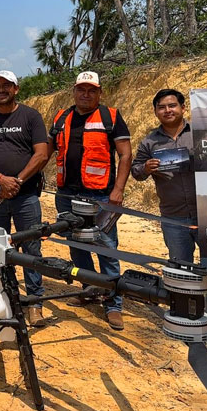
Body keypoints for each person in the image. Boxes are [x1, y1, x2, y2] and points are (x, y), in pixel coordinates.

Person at [47, 71, 131, 330]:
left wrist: (118, 190)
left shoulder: (111, 117)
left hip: (101, 195)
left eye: (91, 90)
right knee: (77, 245)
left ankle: (113, 304)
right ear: (74, 91)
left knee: (106, 247)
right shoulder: (62, 117)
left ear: (99, 92)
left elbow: (125, 155)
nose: (85, 94)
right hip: (66, 194)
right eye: (81, 89)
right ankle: (89, 289)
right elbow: (46, 151)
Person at [0, 70, 50, 327]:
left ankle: (35, 301)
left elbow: (41, 154)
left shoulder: (30, 116)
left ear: (16, 89)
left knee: (31, 247)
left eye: (7, 85)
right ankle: (3, 295)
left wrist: (17, 180)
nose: (1, 89)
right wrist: (0, 180)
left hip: (26, 196)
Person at [132, 89, 207, 269]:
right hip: (173, 217)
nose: (167, 110)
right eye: (162, 107)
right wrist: (145, 168)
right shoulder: (149, 142)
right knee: (181, 269)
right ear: (155, 111)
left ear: (183, 108)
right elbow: (136, 171)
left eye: (172, 105)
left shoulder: (202, 133)